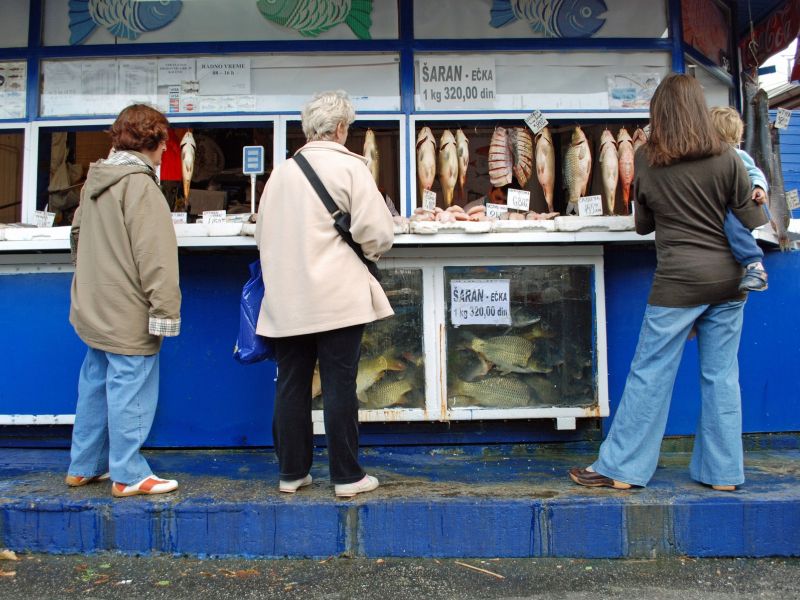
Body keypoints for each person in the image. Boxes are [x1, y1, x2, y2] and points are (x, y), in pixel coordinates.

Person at [568, 74, 768, 492]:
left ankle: (623, 468)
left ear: (659, 114)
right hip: (730, 282)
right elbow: (754, 219)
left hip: (677, 284)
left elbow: (644, 225)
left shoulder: (646, 159)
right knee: (721, 377)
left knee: (650, 373)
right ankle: (724, 474)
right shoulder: (729, 158)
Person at [255, 90, 394, 499]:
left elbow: (262, 235)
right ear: (340, 128)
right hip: (337, 298)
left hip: (286, 299)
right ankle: (347, 477)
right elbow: (378, 234)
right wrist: (369, 252)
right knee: (338, 386)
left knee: (292, 385)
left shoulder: (281, 172)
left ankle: (291, 472)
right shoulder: (351, 168)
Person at [66, 104, 182, 498]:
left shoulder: (96, 178)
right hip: (128, 310)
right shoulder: (140, 186)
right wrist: (165, 311)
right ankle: (129, 473)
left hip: (94, 305)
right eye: (165, 140)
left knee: (95, 384)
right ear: (154, 141)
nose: (167, 149)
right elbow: (157, 259)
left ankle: (83, 466)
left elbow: (77, 236)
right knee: (131, 389)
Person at [710, 106, 769, 292]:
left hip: (743, 207)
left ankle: (755, 266)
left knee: (731, 223)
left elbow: (755, 172)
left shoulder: (737, 155)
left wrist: (759, 187)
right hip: (735, 206)